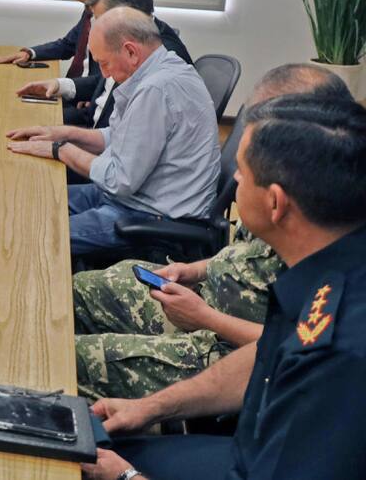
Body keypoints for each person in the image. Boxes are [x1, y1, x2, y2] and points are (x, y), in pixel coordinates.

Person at [80, 95, 366, 480]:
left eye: (243, 174)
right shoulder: (324, 270)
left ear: (275, 203)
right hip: (250, 446)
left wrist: (126, 478)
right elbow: (265, 359)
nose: (233, 179)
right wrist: (150, 407)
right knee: (108, 441)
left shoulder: (340, 356)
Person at [73, 64, 352, 401]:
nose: (236, 178)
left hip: (223, 346)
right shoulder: (286, 189)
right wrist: (195, 270)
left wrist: (206, 319)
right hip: (202, 300)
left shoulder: (322, 225)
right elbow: (244, 252)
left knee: (75, 359)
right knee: (74, 292)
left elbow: (293, 347)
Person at [7, 7, 219, 256]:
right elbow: (118, 136)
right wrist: (63, 133)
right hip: (131, 198)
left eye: (104, 64)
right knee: (26, 200)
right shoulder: (160, 69)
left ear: (131, 51)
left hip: (150, 216)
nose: (104, 74)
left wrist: (60, 150)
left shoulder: (157, 89)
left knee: (29, 234)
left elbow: (120, 180)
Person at [16, 0, 193, 130]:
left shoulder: (159, 55)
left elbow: (131, 147)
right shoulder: (135, 35)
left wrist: (65, 148)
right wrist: (59, 85)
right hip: (98, 127)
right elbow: (104, 81)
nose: (95, 25)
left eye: (101, 19)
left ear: (126, 14)